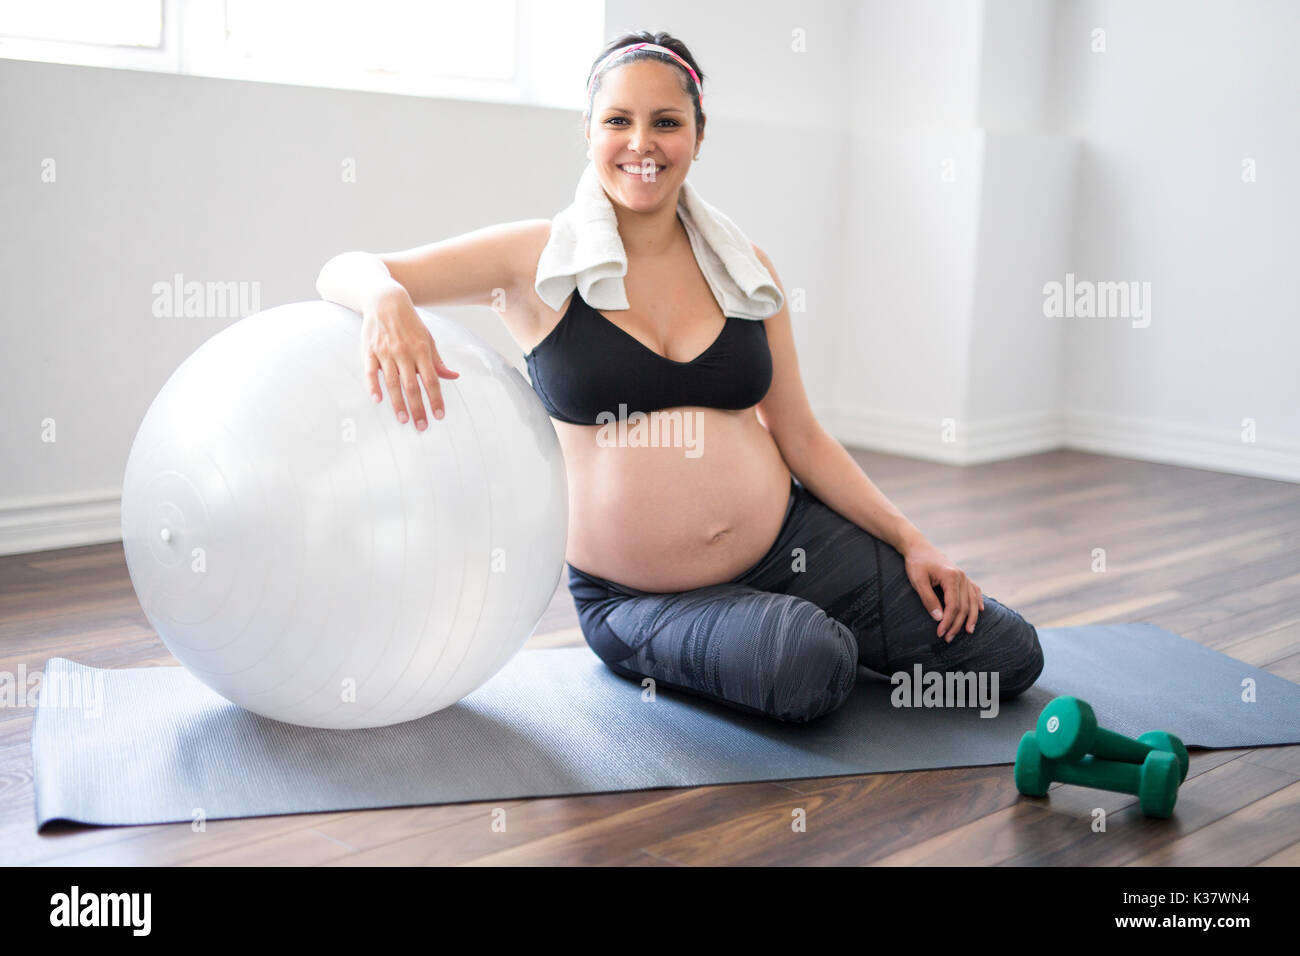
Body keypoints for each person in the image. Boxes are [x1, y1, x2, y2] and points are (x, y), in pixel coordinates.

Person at [316, 30, 1045, 723]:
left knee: (1006, 655)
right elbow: (346, 267)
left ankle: (783, 626)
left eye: (666, 122)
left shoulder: (744, 268)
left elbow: (800, 434)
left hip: (788, 545)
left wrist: (913, 540)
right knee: (810, 664)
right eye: (619, 121)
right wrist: (384, 298)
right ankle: (772, 637)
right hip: (637, 596)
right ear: (589, 130)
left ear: (697, 135)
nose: (641, 144)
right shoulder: (536, 259)